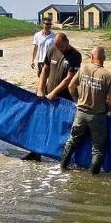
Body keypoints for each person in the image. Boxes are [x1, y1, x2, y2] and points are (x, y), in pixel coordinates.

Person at [21, 33, 81, 162]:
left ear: (67, 42)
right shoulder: (52, 49)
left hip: (64, 99)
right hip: (47, 96)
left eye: (62, 46)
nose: (60, 49)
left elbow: (69, 79)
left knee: (61, 127)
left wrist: (54, 93)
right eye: (57, 46)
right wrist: (40, 89)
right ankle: (35, 153)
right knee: (41, 124)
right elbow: (45, 70)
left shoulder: (75, 56)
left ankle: (62, 156)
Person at [60, 46, 111, 174]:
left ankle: (62, 167)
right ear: (104, 58)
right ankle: (93, 176)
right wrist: (107, 108)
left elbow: (71, 86)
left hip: (80, 113)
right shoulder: (109, 76)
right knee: (97, 149)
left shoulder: (84, 68)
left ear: (92, 57)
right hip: (97, 116)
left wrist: (77, 99)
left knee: (72, 140)